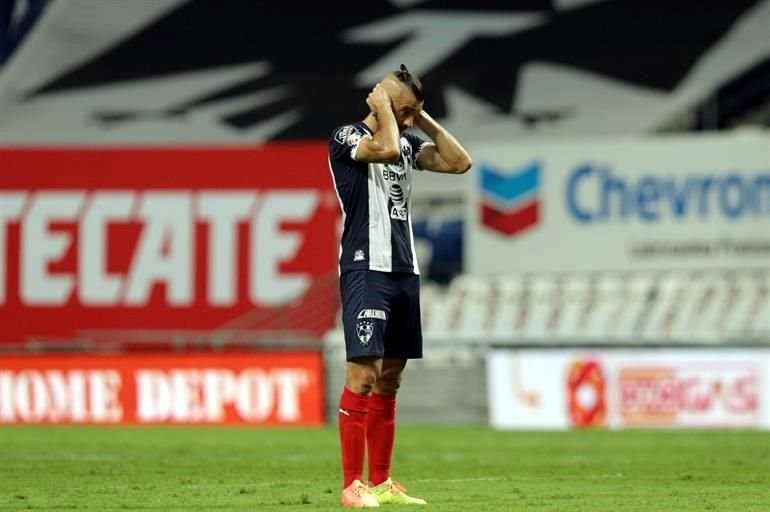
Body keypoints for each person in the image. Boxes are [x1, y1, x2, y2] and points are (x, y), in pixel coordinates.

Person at [327, 64, 472, 508]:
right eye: (405, 112)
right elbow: (386, 148)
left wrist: (421, 115)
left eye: (412, 116)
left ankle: (383, 482)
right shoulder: (347, 138)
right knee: (363, 374)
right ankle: (353, 486)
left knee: (390, 380)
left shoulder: (406, 139)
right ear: (385, 105)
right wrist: (389, 113)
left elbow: (459, 162)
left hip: (404, 271)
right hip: (365, 268)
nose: (409, 124)